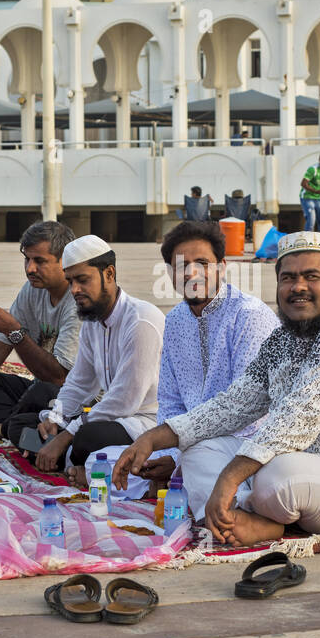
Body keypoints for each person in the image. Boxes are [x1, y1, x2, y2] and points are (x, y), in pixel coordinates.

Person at [114, 231, 320, 544]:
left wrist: (229, 477)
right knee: (198, 450)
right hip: (312, 467)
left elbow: (297, 420)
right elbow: (233, 405)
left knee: (276, 477)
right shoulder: (286, 338)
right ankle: (238, 520)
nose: (298, 288)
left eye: (311, 277)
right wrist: (153, 439)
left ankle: (256, 516)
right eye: (288, 278)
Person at [129, 219, 278, 517]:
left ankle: (235, 515)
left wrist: (182, 452)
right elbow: (170, 402)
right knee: (112, 459)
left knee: (195, 459)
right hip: (192, 443)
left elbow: (248, 411)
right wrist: (170, 454)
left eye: (202, 263)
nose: (192, 272)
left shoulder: (248, 316)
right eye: (182, 265)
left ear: (222, 267)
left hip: (252, 446)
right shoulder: (174, 322)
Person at [8, 236, 165, 482]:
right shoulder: (93, 320)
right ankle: (68, 460)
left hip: (145, 423)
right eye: (70, 281)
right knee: (19, 424)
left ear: (109, 274)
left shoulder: (141, 321)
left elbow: (124, 402)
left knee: (87, 438)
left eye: (82, 280)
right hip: (111, 417)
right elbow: (79, 382)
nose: (74, 290)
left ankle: (66, 457)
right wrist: (55, 419)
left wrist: (65, 435)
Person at [0, 220, 81, 440]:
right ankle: (24, 430)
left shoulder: (78, 299)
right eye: (27, 259)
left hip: (76, 401)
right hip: (42, 395)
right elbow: (0, 345)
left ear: (65, 262)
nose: (30, 268)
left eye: (40, 261)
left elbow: (58, 378)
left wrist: (14, 331)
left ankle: (3, 430)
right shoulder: (34, 289)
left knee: (43, 393)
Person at [299, 151, 320, 232]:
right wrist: (315, 191)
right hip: (307, 197)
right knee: (311, 220)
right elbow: (303, 183)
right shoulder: (313, 169)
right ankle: (307, 241)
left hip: (317, 198)